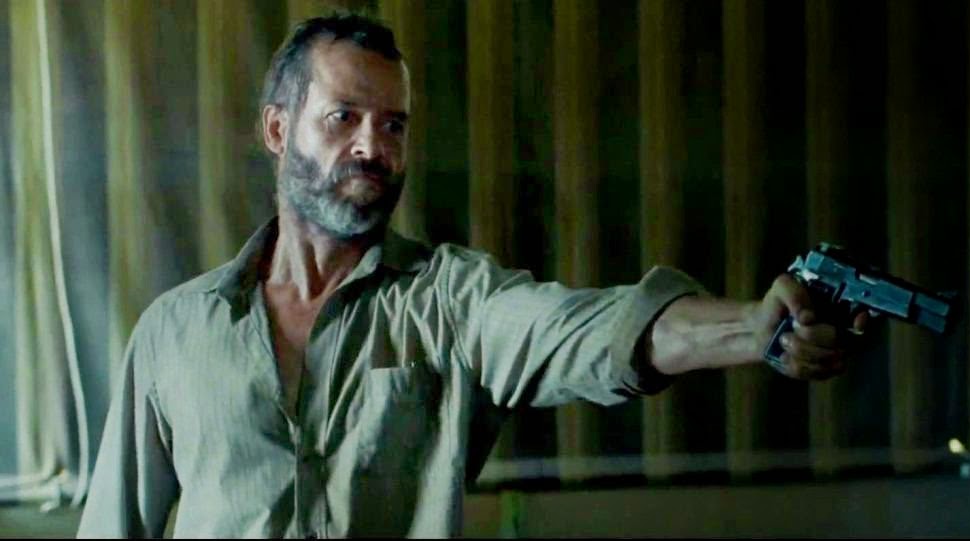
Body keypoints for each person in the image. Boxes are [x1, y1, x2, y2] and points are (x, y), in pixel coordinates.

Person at [77, 12, 865, 538]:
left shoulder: (449, 300)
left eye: (393, 124)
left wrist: (750, 329)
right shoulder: (175, 331)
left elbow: (584, 332)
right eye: (343, 117)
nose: (372, 146)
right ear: (278, 130)